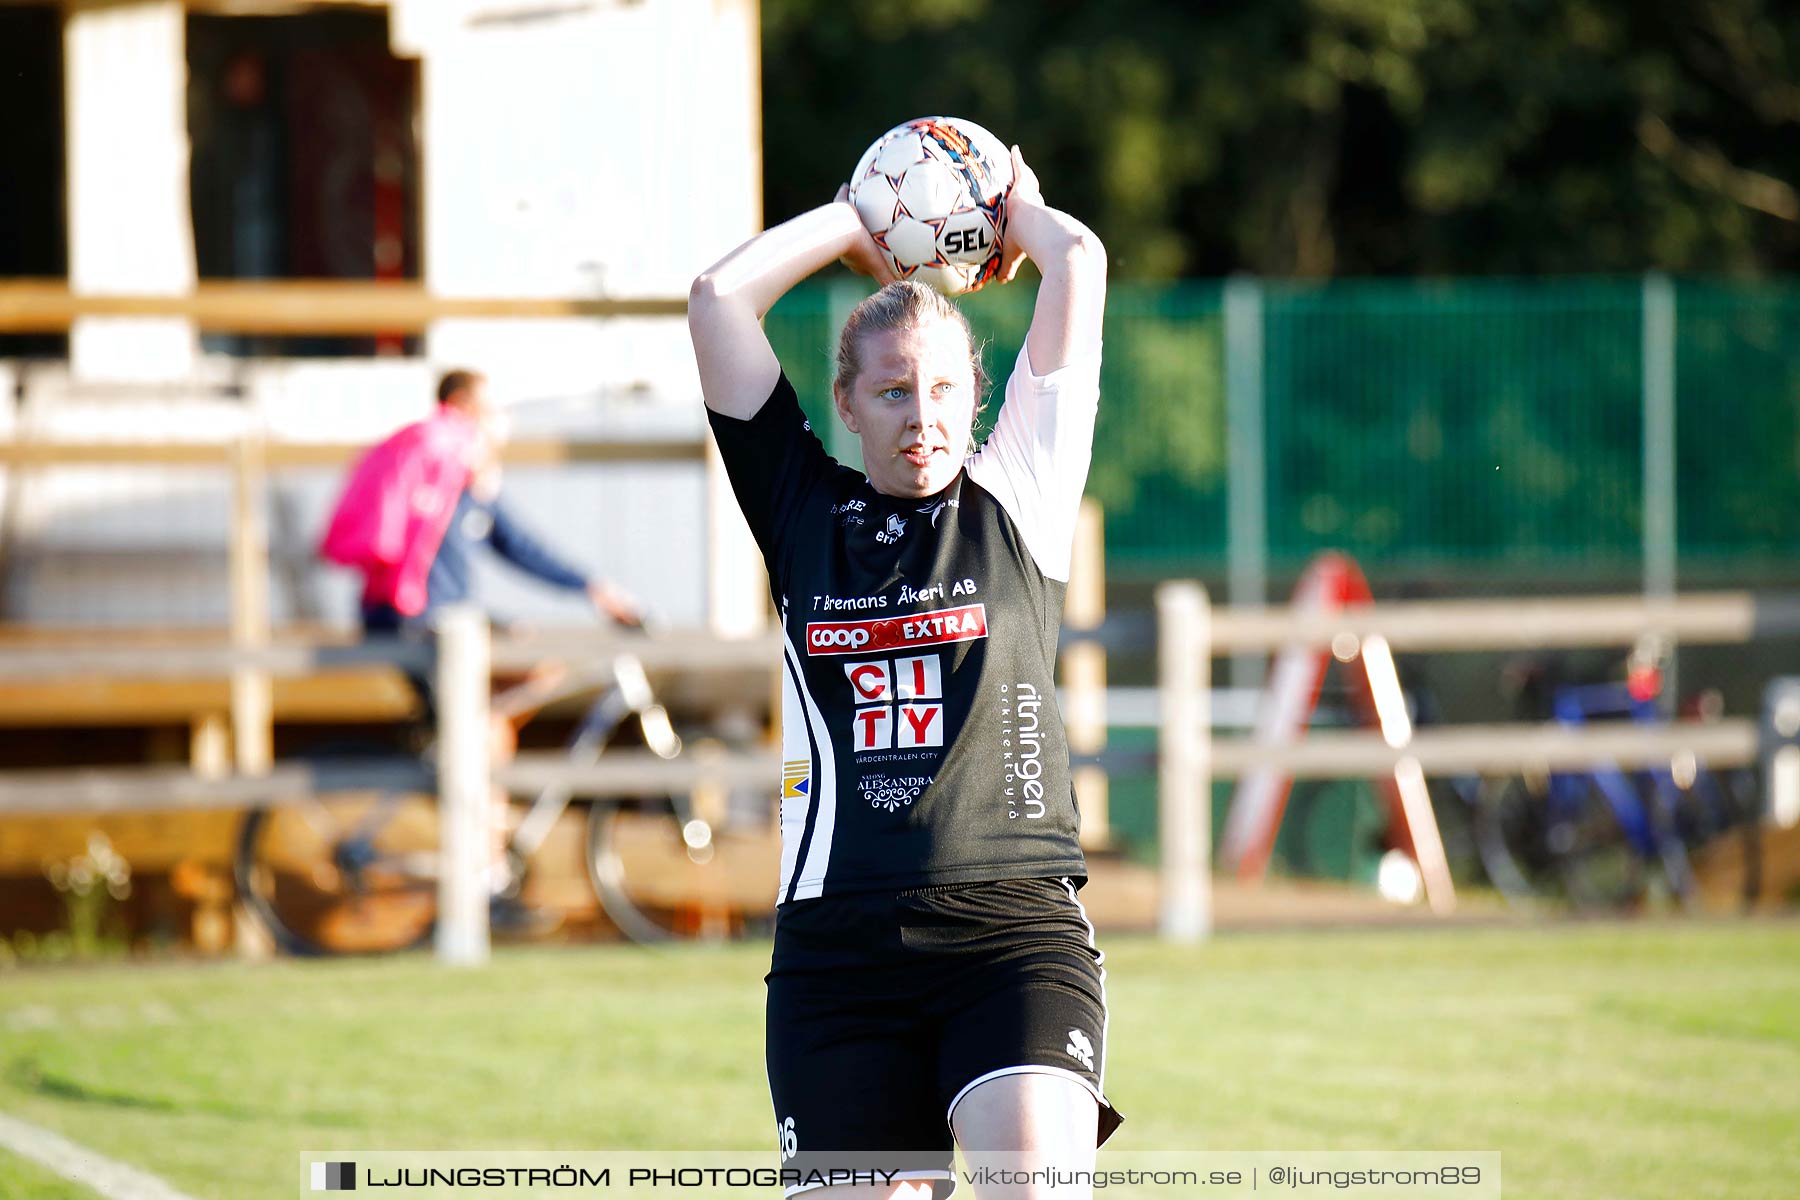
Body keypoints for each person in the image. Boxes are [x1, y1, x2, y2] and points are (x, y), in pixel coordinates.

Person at [689, 147, 1118, 1200]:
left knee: (1036, 1185)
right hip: (838, 953)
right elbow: (716, 302)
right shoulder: (800, 513)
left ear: (976, 396)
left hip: (1010, 932)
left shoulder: (1016, 493)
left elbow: (1081, 264)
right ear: (848, 404)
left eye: (939, 389)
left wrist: (1018, 212)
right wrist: (853, 219)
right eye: (891, 392)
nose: (918, 413)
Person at [320, 368, 642, 917]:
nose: (502, 423)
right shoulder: (448, 458)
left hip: (436, 618)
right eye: (493, 410)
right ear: (464, 408)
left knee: (528, 678)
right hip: (418, 623)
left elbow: (516, 545)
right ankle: (485, 877)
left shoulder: (461, 479)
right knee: (483, 735)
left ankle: (483, 837)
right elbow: (436, 582)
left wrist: (589, 587)